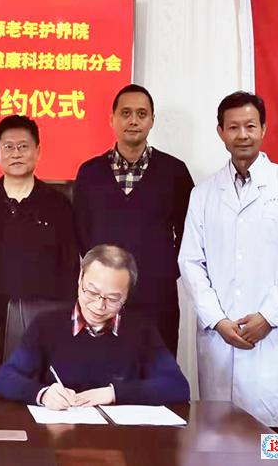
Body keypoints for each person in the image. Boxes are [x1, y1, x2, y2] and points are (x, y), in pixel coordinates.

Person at [178, 91, 278, 433]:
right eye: (233, 127)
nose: (242, 135)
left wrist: (268, 316)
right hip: (221, 341)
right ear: (221, 132)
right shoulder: (204, 194)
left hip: (275, 342)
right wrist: (217, 320)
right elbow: (191, 262)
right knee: (221, 443)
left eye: (250, 126)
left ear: (264, 129)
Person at [0, 115, 79, 395]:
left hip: (42, 322)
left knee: (39, 393)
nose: (16, 153)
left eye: (23, 147)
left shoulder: (59, 204)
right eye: (8, 147)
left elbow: (69, 266)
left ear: (38, 151)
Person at [73, 84, 194, 357]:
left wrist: (165, 269)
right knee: (101, 368)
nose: (133, 121)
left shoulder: (174, 172)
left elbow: (191, 232)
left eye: (142, 114)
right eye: (126, 113)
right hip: (102, 298)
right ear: (112, 119)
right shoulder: (90, 173)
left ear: (152, 120)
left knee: (156, 370)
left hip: (157, 296)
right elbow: (81, 231)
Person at [0, 244, 189, 409]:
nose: (99, 306)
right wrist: (42, 394)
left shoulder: (141, 330)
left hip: (120, 438)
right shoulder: (46, 325)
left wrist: (114, 393)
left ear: (126, 294)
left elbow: (177, 386)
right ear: (80, 278)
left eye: (112, 299)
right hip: (58, 435)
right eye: (92, 292)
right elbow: (5, 378)